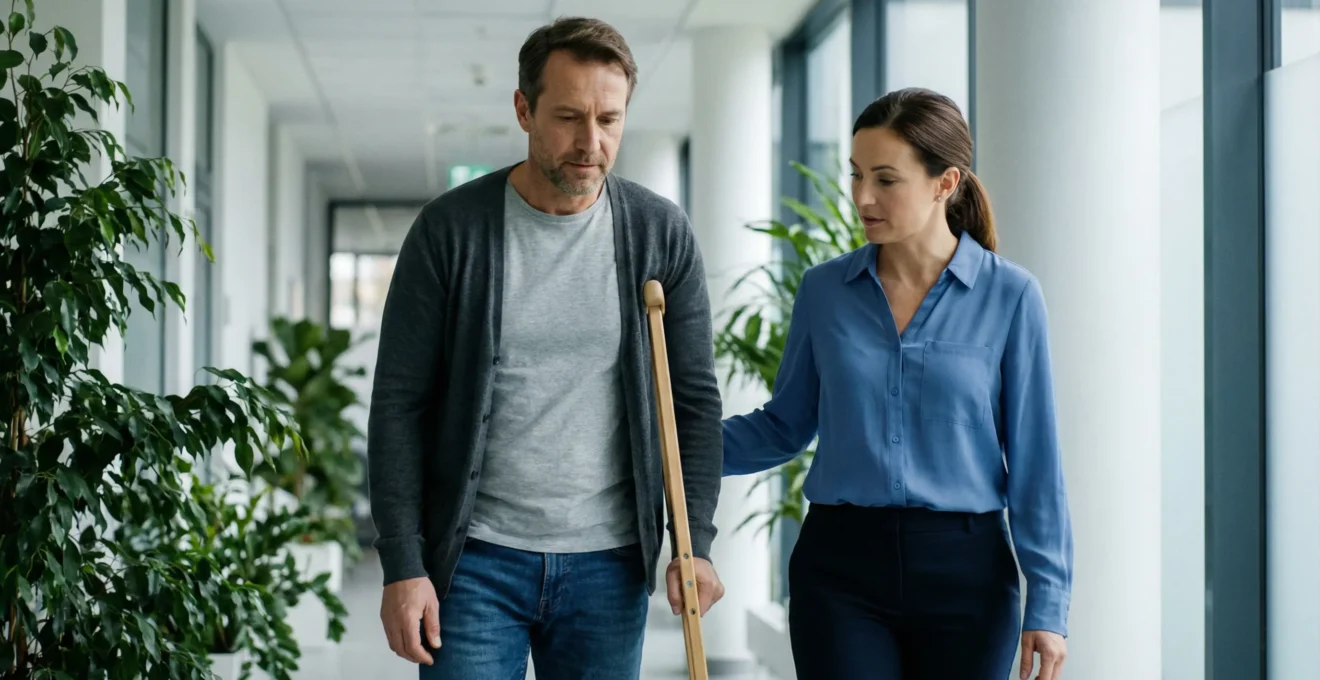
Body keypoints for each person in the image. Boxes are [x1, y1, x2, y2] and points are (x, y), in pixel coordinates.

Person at [366, 16, 726, 680]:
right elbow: (398, 406)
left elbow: (693, 403)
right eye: (568, 117)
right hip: (473, 562)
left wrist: (693, 543)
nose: (591, 143)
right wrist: (403, 563)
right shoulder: (451, 232)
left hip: (609, 564)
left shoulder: (658, 233)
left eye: (610, 120)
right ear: (524, 110)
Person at [722, 87, 1073, 680]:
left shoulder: (1010, 296)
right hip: (840, 571)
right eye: (856, 175)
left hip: (968, 575)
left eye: (886, 179)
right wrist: (670, 446)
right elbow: (785, 424)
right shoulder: (824, 291)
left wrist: (1049, 603)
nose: (863, 197)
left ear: (946, 182)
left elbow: (1035, 462)